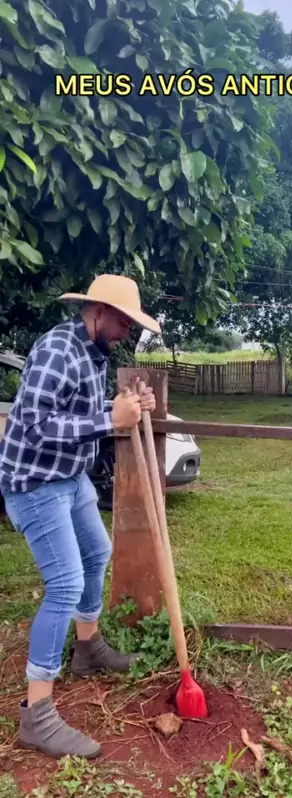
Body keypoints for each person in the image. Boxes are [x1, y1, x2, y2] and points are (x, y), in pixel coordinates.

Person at [0, 274, 161, 759]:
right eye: (123, 321)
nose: (127, 331)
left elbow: (80, 413)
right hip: (35, 484)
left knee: (97, 552)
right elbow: (35, 425)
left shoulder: (93, 355)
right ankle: (37, 715)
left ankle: (88, 649)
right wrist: (110, 420)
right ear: (98, 311)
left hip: (70, 479)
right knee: (65, 584)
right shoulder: (58, 349)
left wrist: (127, 408)